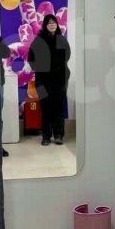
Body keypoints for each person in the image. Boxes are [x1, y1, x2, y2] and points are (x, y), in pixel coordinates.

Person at [28, 14, 70, 146]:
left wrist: (57, 68)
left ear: (57, 24)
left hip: (59, 79)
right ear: (45, 25)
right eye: (49, 23)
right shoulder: (38, 40)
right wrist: (41, 69)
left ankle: (58, 135)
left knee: (59, 107)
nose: (52, 25)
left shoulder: (61, 39)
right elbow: (31, 58)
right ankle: (46, 136)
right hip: (42, 80)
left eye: (54, 23)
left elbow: (67, 56)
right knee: (45, 108)